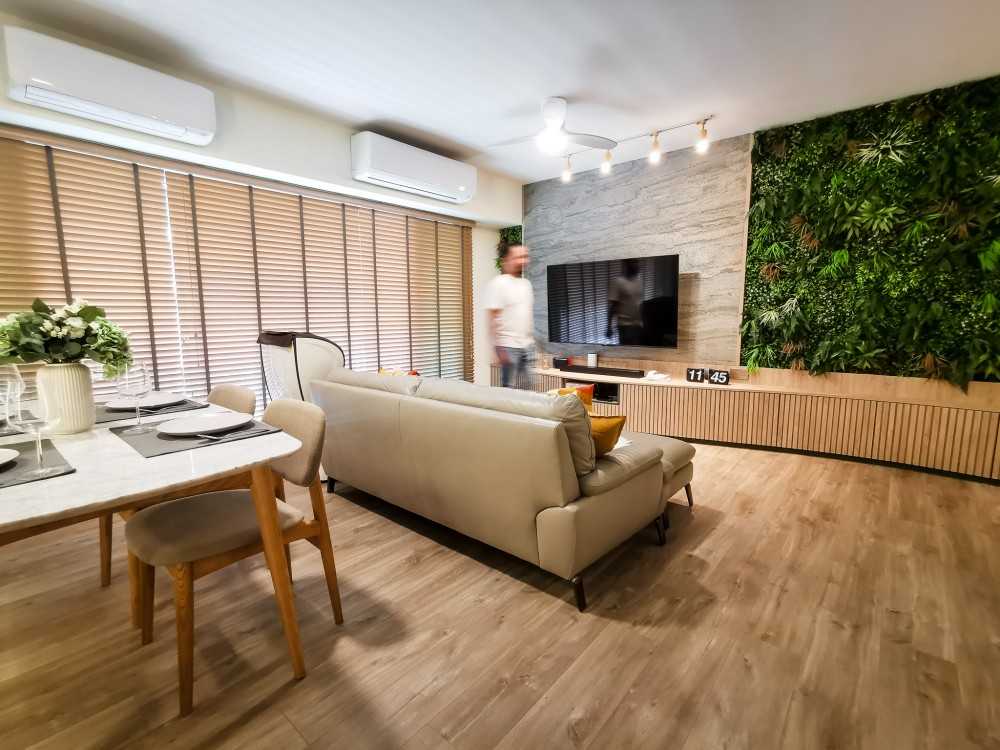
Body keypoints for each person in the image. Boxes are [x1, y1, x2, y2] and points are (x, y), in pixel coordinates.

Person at [485, 241, 534, 388]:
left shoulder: (526, 284)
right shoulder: (498, 283)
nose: (523, 261)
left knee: (528, 390)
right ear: (506, 260)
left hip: (527, 346)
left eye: (525, 256)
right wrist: (498, 349)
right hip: (508, 347)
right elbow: (492, 318)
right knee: (509, 393)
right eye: (518, 257)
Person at [607, 258, 644, 345]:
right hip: (625, 326)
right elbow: (612, 307)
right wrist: (609, 327)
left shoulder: (639, 278)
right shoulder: (617, 282)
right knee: (628, 351)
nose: (637, 265)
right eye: (634, 262)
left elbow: (639, 301)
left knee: (638, 352)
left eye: (637, 262)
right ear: (626, 264)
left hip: (638, 324)